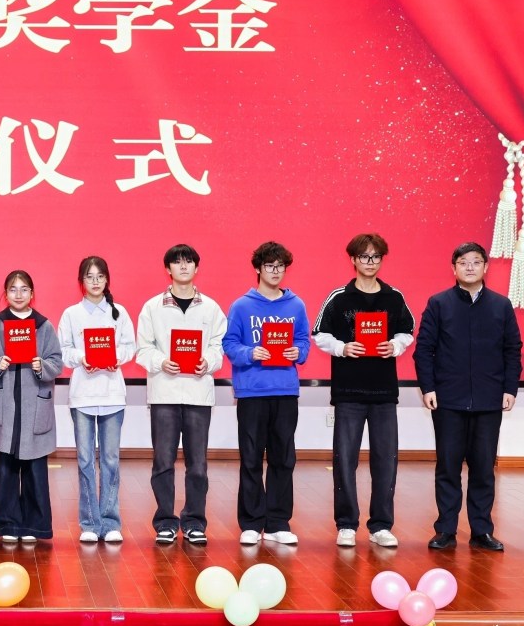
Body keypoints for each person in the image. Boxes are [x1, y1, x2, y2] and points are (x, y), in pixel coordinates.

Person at [413, 241, 523, 552]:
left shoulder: (501, 305)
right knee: (447, 467)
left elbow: (512, 350)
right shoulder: (439, 303)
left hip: (489, 399)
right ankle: (446, 530)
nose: (470, 267)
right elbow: (424, 349)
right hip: (448, 400)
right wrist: (428, 387)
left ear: (486, 267)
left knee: (483, 468)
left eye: (476, 262)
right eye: (463, 262)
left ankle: (481, 531)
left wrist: (509, 389)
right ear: (454, 268)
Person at [311, 232, 417, 549]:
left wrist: (395, 345)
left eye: (376, 256)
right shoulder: (338, 297)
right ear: (353, 260)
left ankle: (381, 525)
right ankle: (346, 524)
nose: (370, 262)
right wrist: (343, 348)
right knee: (345, 460)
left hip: (384, 393)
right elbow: (318, 334)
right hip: (348, 393)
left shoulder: (394, 297)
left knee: (386, 460)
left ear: (382, 260)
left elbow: (408, 330)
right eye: (364, 256)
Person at [135, 244, 228, 546]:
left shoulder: (211, 308)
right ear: (168, 269)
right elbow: (142, 348)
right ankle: (165, 521)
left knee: (197, 464)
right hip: (164, 393)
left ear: (197, 268)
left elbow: (219, 346)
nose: (183, 267)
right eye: (177, 262)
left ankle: (194, 521)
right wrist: (161, 361)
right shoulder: (152, 307)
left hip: (198, 395)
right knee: (163, 461)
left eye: (189, 262)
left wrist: (208, 362)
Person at [223, 240, 312, 546]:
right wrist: (250, 353)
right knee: (250, 458)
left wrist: (297, 351)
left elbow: (304, 341)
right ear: (258, 269)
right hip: (251, 392)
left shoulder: (296, 305)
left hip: (285, 390)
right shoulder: (241, 306)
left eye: (280, 266)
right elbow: (229, 343)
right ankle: (251, 522)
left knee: (283, 458)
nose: (275, 271)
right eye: (269, 266)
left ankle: (277, 522)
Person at [0, 270, 65, 543]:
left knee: (35, 472)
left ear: (32, 294)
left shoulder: (44, 326)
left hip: (35, 407)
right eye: (13, 289)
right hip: (4, 408)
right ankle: (7, 525)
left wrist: (41, 365)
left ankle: (34, 527)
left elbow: (57, 363)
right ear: (5, 293)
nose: (18, 294)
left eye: (24, 289)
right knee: (5, 471)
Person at [57, 256, 136, 543]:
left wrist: (115, 357)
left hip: (112, 395)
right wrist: (83, 358)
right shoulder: (71, 314)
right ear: (81, 281)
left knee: (111, 460)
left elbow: (130, 347)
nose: (95, 282)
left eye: (100, 276)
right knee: (85, 460)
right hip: (82, 396)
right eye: (89, 277)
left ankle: (111, 522)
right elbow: (63, 350)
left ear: (106, 280)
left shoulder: (119, 312)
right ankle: (90, 523)